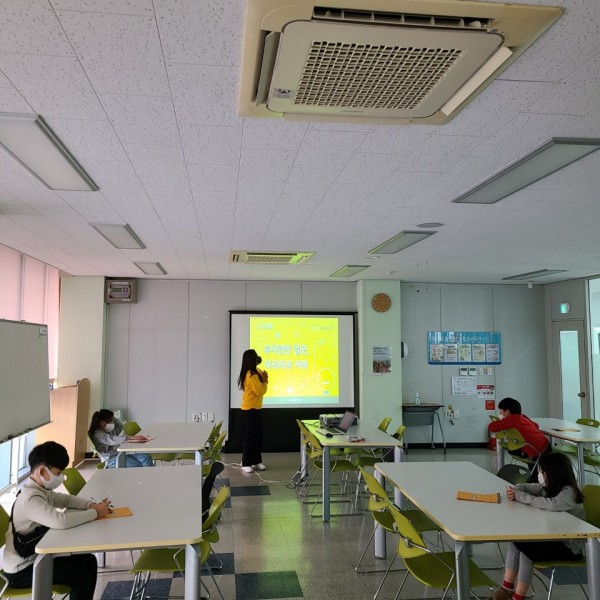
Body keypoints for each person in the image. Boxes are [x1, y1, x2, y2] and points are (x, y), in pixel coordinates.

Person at [3, 441, 111, 600]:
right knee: (82, 577)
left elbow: (66, 500)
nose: (60, 477)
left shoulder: (40, 490)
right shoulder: (30, 499)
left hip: (36, 557)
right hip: (21, 569)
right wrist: (95, 513)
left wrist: (91, 505)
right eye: (58, 473)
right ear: (42, 471)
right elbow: (61, 521)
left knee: (88, 560)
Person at [486, 452, 585, 600]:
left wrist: (521, 496)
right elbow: (528, 487)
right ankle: (506, 589)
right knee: (517, 542)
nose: (539, 475)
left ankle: (518, 597)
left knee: (527, 550)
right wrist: (516, 490)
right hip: (554, 537)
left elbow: (552, 504)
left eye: (542, 471)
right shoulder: (549, 486)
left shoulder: (569, 492)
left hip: (570, 547)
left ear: (553, 473)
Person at [488, 397, 551, 476]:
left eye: (501, 411)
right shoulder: (522, 417)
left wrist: (501, 420)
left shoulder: (510, 420)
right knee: (537, 468)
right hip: (544, 444)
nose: (500, 413)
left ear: (507, 411)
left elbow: (491, 427)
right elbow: (536, 426)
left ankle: (534, 479)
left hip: (535, 449)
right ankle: (534, 479)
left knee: (513, 451)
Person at [237, 348, 268, 473]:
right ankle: (246, 462)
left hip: (255, 408)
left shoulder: (256, 372)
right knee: (250, 437)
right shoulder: (251, 375)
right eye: (255, 356)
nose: (257, 358)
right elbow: (260, 391)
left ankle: (256, 461)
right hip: (250, 409)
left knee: (257, 436)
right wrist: (265, 382)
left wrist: (264, 378)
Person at [88, 409, 154, 468]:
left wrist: (113, 418)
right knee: (138, 465)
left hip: (119, 454)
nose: (112, 422)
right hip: (110, 460)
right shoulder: (98, 435)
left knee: (146, 457)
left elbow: (119, 426)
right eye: (111, 421)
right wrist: (131, 437)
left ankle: (150, 476)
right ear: (102, 423)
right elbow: (113, 439)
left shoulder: (107, 432)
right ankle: (145, 476)